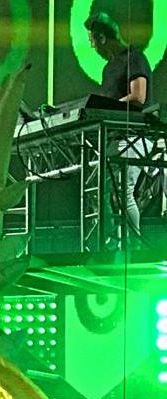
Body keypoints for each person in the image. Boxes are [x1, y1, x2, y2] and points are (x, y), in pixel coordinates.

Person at [85, 12, 152, 248]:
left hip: (132, 137)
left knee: (123, 193)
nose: (92, 47)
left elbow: (139, 97)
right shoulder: (109, 68)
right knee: (99, 193)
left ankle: (131, 248)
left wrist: (105, 108)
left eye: (92, 41)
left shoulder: (134, 58)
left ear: (102, 38)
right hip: (113, 137)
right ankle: (110, 245)